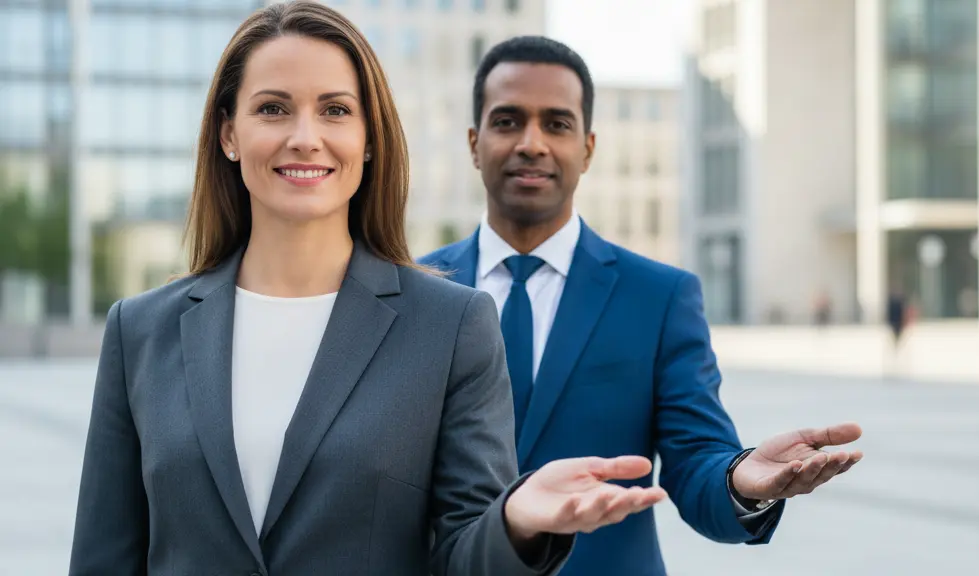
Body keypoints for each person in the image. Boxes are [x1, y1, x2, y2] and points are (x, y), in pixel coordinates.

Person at [68, 6, 670, 575]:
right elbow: (103, 558)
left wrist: (513, 522)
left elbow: (463, 554)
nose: (305, 137)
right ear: (228, 134)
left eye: (335, 110)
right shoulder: (140, 331)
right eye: (273, 109)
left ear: (370, 138)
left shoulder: (452, 325)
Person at [419, 36, 865, 576]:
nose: (532, 143)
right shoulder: (411, 291)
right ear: (474, 142)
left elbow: (698, 459)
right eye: (508, 121)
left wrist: (743, 481)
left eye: (557, 124)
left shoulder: (659, 297)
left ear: (587, 147)